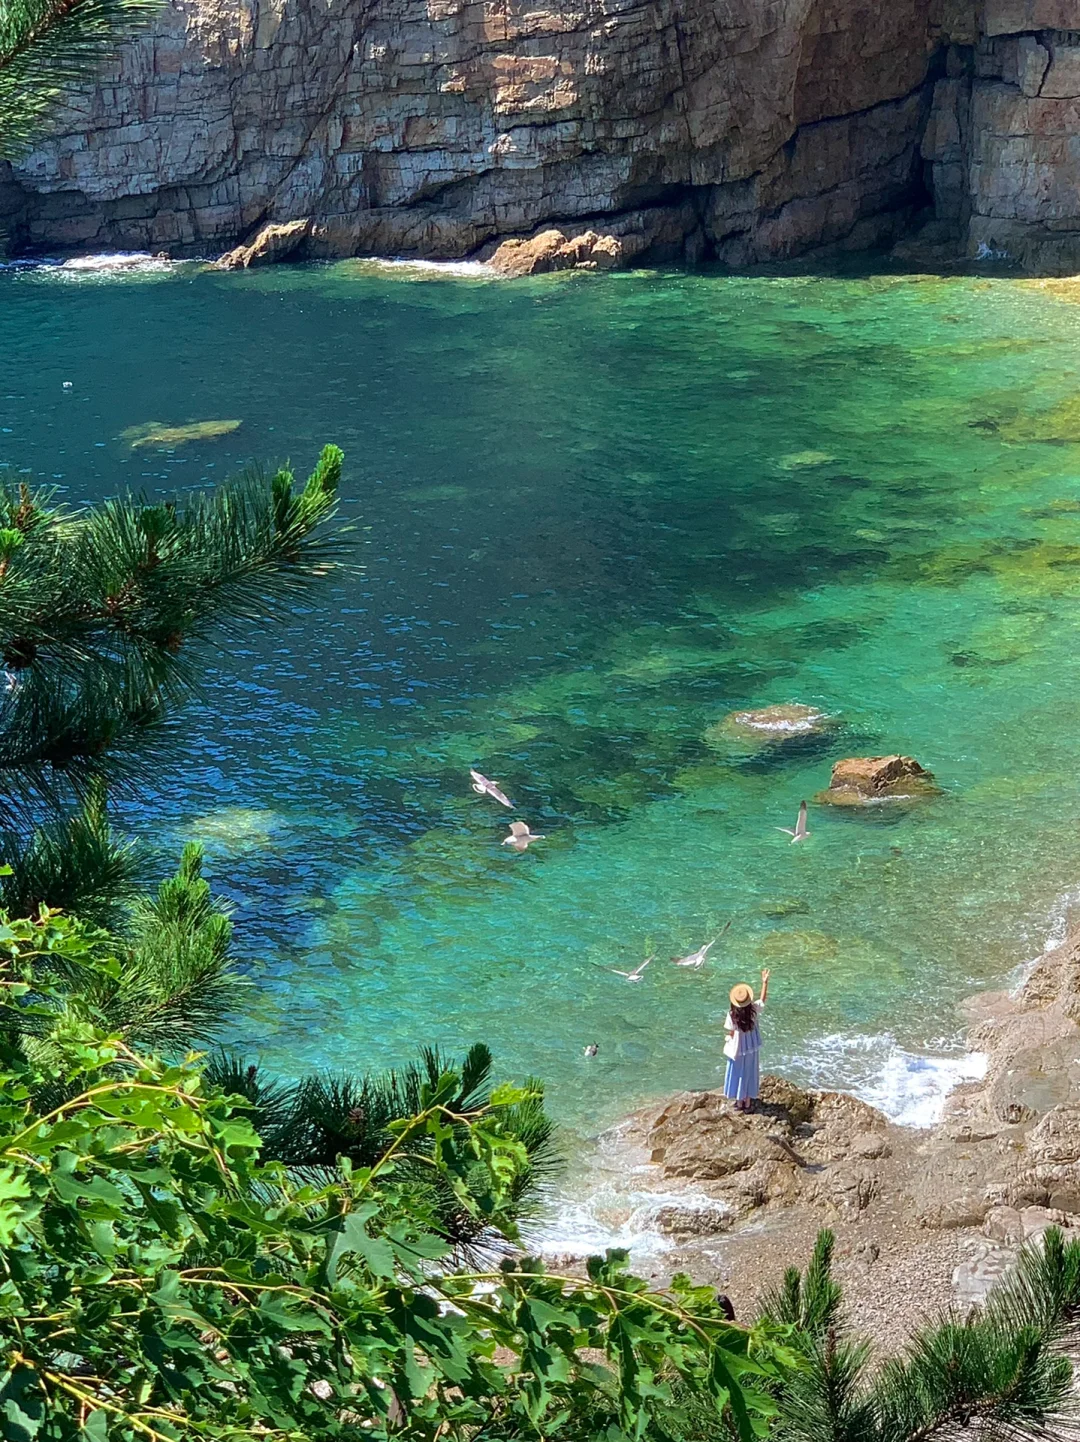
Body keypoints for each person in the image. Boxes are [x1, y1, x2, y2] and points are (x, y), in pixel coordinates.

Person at [723, 969, 769, 1113]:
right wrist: (764, 982)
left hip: (738, 1048)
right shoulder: (753, 1010)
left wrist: (729, 1038)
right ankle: (748, 1101)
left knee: (738, 1072)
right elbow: (762, 999)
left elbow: (731, 1031)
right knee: (750, 1071)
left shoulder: (732, 1015)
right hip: (752, 1047)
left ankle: (739, 1101)